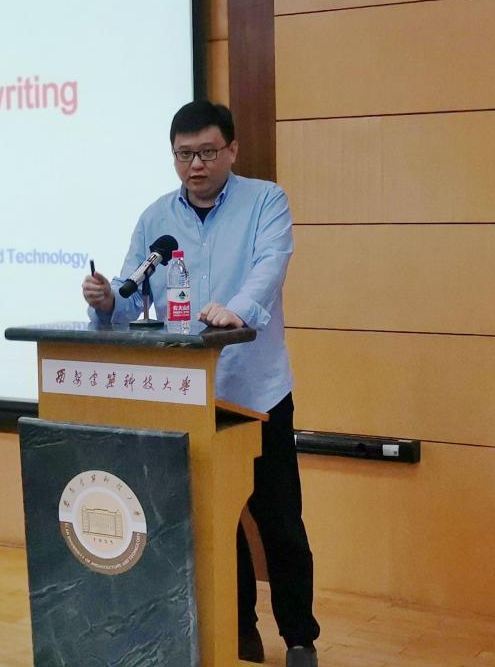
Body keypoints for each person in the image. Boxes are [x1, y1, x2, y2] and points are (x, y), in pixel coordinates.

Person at [82, 100, 321, 667]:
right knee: (214, 520)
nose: (196, 165)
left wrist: (237, 310)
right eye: (184, 154)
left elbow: (270, 267)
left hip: (257, 391)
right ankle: (237, 632)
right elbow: (130, 297)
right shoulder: (155, 219)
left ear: (232, 150)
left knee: (279, 521)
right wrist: (107, 299)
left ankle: (299, 638)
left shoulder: (266, 201)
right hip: (187, 396)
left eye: (208, 152)